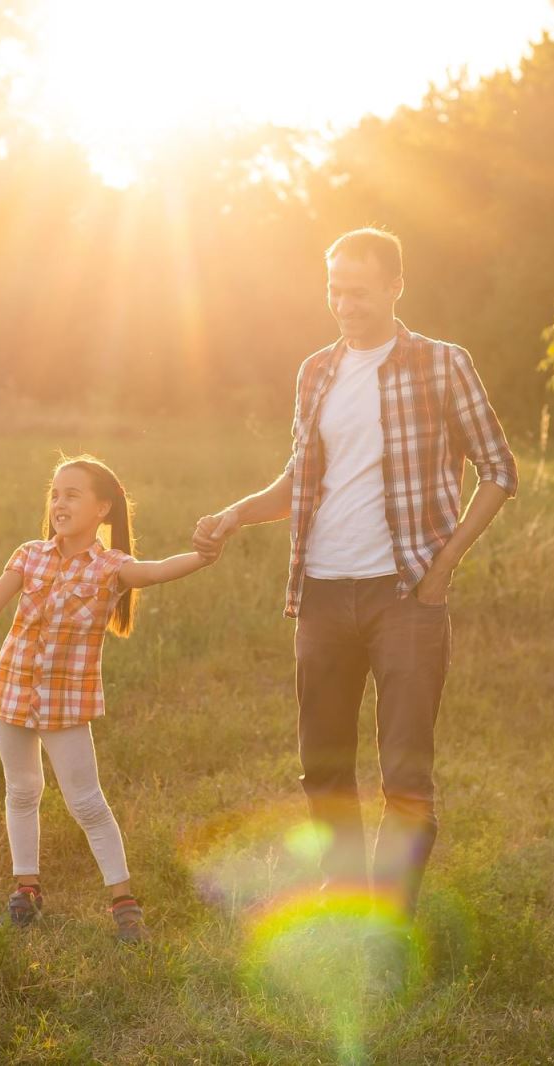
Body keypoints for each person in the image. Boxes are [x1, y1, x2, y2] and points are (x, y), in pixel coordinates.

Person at [194, 228, 518, 925]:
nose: (345, 304)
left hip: (405, 596)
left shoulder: (441, 364)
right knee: (324, 769)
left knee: (405, 774)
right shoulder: (316, 371)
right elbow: (297, 483)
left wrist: (443, 568)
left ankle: (389, 920)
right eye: (335, 290)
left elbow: (499, 470)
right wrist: (232, 514)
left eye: (359, 291)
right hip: (322, 595)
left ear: (397, 286)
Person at [0, 455, 220, 942]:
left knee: (87, 802)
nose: (59, 502)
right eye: (55, 493)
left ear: (102, 508)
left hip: (65, 705)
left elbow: (157, 571)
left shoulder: (112, 568)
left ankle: (123, 900)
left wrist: (203, 556)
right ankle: (25, 887)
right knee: (22, 791)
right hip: (11, 691)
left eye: (72, 494)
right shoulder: (29, 554)